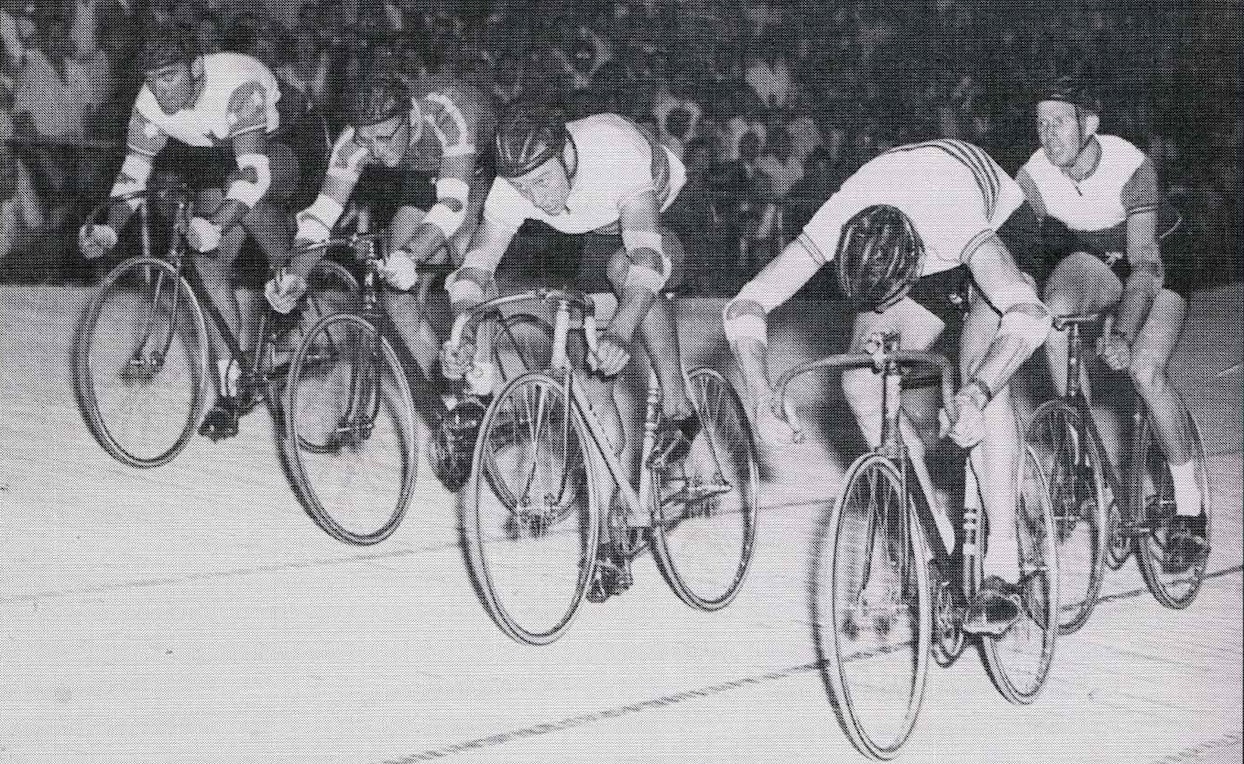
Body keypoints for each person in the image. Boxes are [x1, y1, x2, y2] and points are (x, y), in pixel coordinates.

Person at [724, 138, 1051, 635]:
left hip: (994, 225)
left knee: (978, 368)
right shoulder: (840, 217)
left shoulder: (952, 215)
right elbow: (747, 305)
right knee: (861, 382)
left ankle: (1004, 565)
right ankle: (932, 530)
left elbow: (1028, 316)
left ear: (914, 265)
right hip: (911, 247)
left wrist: (978, 392)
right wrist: (760, 394)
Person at [441, 107, 702, 600]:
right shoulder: (513, 186)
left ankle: (679, 405)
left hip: (658, 201)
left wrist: (622, 332)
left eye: (542, 181)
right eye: (525, 189)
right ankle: (609, 537)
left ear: (565, 155)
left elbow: (647, 258)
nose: (536, 197)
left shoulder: (614, 153)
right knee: (590, 384)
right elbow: (474, 272)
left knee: (628, 275)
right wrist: (461, 334)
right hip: (591, 227)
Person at [1016, 75, 1206, 570]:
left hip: (1158, 263)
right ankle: (1077, 455)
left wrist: (1122, 332)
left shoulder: (1131, 165)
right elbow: (1008, 247)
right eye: (1040, 123)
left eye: (1059, 122)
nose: (1047, 133)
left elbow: (1145, 266)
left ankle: (1189, 509)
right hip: (1098, 256)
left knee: (1144, 370)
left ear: (1089, 124)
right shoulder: (1034, 173)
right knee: (1053, 314)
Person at [78, 29, 298, 441]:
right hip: (223, 153)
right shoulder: (149, 103)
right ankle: (236, 383)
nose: (159, 90)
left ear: (196, 68)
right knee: (206, 260)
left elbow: (255, 174)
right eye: (152, 79)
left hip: (284, 144)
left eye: (169, 76)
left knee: (238, 204)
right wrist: (110, 227)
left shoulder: (236, 85)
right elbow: (133, 173)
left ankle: (295, 289)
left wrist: (216, 223)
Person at [265, 74, 496, 381]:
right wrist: (295, 272)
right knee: (394, 290)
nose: (375, 152)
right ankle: (445, 390)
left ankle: (481, 370)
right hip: (423, 172)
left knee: (468, 256)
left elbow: (453, 206)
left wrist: (411, 256)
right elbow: (321, 216)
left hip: (479, 166)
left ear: (412, 118)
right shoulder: (355, 142)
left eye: (385, 138)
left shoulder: (447, 117)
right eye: (365, 140)